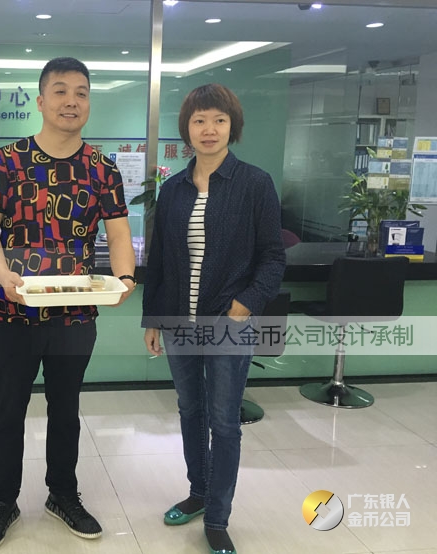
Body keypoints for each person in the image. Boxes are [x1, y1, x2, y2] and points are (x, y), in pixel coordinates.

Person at [0, 57, 136, 552]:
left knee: (66, 410)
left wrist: (125, 278)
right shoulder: (7, 160)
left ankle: (62, 494)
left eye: (81, 92)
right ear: (41, 101)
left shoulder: (102, 168)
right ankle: (2, 503)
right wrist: (2, 273)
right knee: (9, 411)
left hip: (75, 314)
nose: (72, 101)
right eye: (61, 91)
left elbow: (119, 233)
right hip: (14, 311)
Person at [142, 84, 285, 554]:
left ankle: (218, 517)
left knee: (224, 422)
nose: (209, 129)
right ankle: (199, 492)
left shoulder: (254, 183)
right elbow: (160, 261)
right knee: (190, 411)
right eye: (199, 120)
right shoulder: (173, 189)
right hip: (179, 324)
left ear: (232, 126)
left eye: (219, 120)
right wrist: (153, 318)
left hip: (229, 322)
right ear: (187, 128)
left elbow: (273, 256)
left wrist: (248, 302)